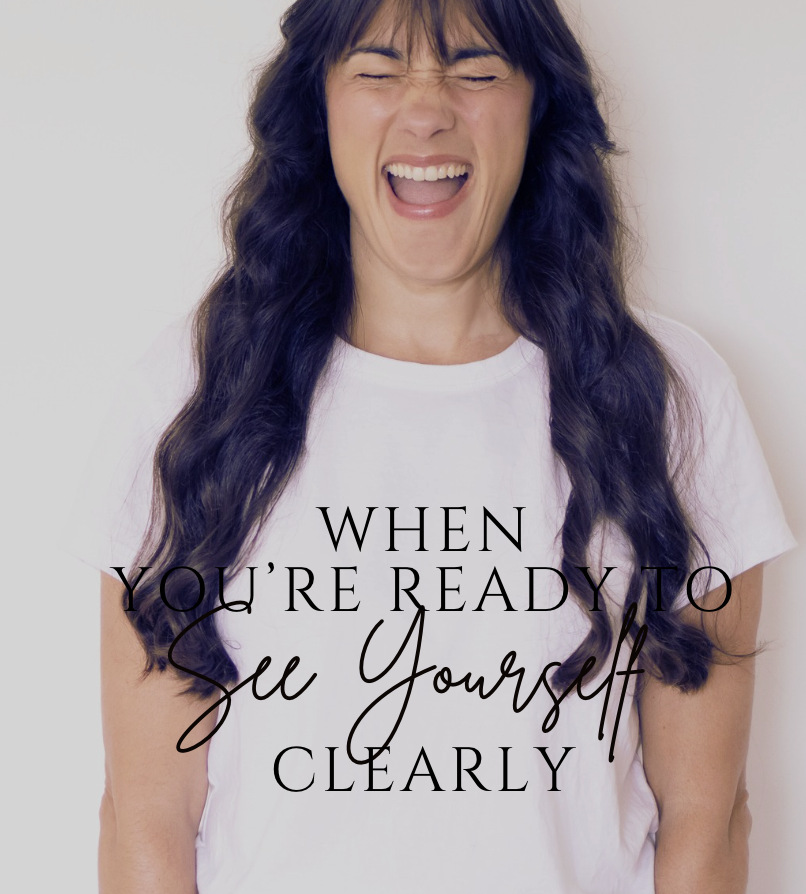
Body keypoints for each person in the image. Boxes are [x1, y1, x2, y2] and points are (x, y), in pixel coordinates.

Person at [70, 0, 795, 892]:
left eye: (479, 69)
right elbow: (146, 818)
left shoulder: (667, 393)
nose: (426, 109)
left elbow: (707, 814)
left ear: (538, 105)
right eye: (377, 71)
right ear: (320, 107)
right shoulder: (195, 390)